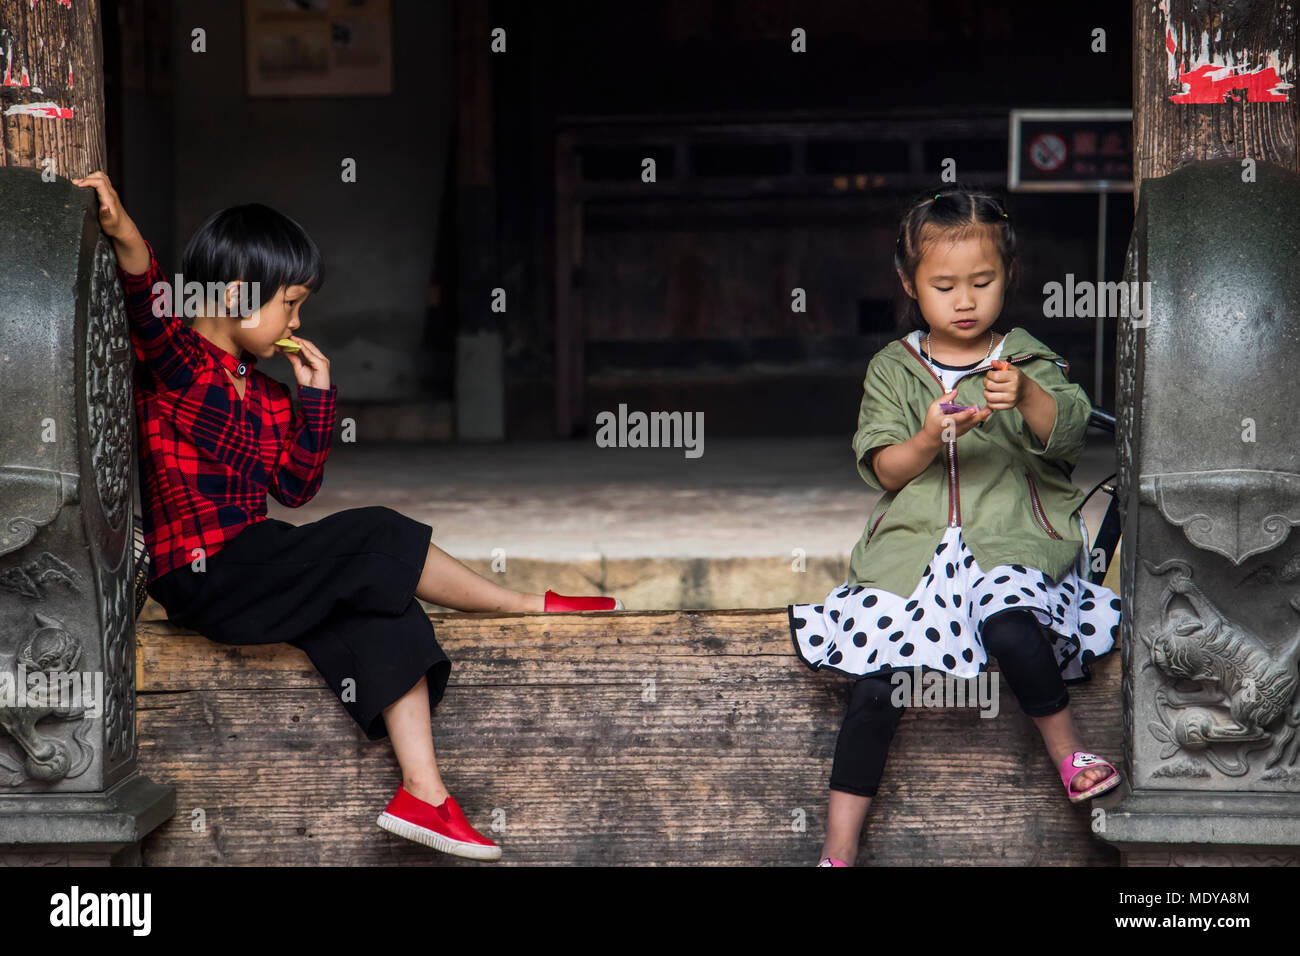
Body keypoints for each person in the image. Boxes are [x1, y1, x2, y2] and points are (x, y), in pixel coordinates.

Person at [74, 171, 623, 862]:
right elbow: (146, 300)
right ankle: (515, 602)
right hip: (204, 574)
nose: (298, 323)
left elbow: (296, 489)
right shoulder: (179, 362)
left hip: (257, 561)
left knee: (387, 611)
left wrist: (316, 404)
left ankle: (423, 795)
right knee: (379, 534)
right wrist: (124, 230)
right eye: (290, 304)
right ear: (239, 297)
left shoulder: (270, 395)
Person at [788, 185, 1122, 867]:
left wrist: (1027, 396)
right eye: (944, 285)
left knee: (1009, 627)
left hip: (1011, 545)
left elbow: (1066, 436)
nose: (965, 300)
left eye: (982, 281)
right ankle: (837, 849)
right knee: (877, 686)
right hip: (914, 563)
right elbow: (884, 467)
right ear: (909, 283)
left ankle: (1071, 756)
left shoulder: (1025, 358)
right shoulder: (893, 368)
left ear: (1009, 277)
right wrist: (924, 437)